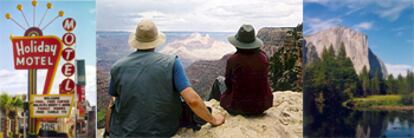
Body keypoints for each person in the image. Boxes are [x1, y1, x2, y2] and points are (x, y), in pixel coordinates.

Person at [107, 19, 225, 137]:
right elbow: (192, 100)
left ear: (136, 41)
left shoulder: (117, 67)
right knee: (194, 110)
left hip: (123, 132)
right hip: (162, 130)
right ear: (156, 41)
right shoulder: (172, 62)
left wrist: (108, 130)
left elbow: (112, 102)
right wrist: (213, 120)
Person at [219, 24, 273, 115]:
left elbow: (228, 83)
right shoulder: (264, 58)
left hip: (239, 107)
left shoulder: (233, 60)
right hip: (262, 106)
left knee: (219, 81)